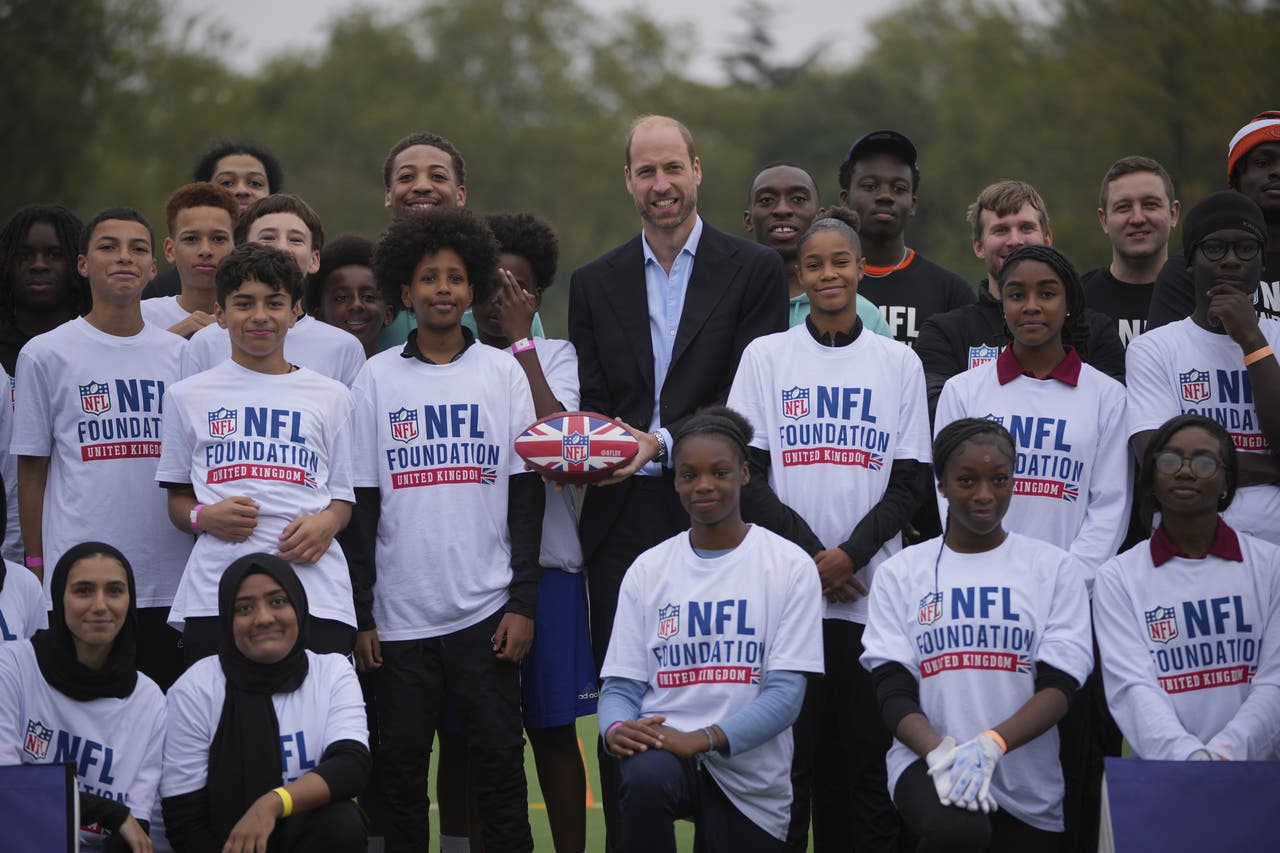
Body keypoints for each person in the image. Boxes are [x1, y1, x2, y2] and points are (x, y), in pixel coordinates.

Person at [568, 114, 787, 848]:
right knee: (624, 698)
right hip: (621, 516)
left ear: (697, 170)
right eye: (646, 171)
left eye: (673, 168)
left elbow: (746, 394)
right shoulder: (594, 282)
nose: (661, 185)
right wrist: (598, 445)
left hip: (721, 505)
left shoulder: (754, 268)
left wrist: (663, 440)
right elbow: (595, 399)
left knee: (735, 673)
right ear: (627, 181)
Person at [727, 206, 931, 852]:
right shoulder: (766, 356)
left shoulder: (897, 362)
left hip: (872, 602)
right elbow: (747, 473)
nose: (827, 274)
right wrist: (817, 557)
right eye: (813, 263)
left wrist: (852, 556)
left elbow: (910, 482)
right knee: (792, 770)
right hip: (791, 599)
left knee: (864, 769)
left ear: (860, 268)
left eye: (839, 260)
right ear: (800, 273)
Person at [347, 207, 543, 853]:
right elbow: (364, 505)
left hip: (485, 612)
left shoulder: (501, 372)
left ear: (474, 287)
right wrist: (364, 613)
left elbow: (524, 497)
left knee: (498, 768)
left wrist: (521, 603)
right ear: (404, 291)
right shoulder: (375, 378)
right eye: (428, 277)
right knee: (400, 773)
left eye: (455, 277)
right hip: (400, 620)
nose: (441, 288)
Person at [598, 407, 824, 853]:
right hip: (664, 755)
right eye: (689, 474)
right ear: (676, 481)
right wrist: (615, 728)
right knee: (643, 778)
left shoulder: (788, 564)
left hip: (750, 775)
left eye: (719, 472)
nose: (703, 485)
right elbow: (621, 686)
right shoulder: (649, 569)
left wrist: (702, 739)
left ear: (744, 474)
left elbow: (786, 697)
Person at [861, 418, 1093, 850]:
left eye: (999, 480)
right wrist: (938, 752)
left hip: (1027, 782)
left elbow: (1060, 686)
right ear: (942, 484)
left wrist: (993, 743)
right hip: (927, 763)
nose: (984, 495)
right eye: (966, 480)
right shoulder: (901, 572)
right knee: (958, 830)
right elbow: (891, 689)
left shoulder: (1054, 568)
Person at [12, 207, 192, 690]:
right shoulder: (46, 353)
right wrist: (36, 567)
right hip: (80, 577)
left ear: (154, 268)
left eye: (137, 248)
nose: (124, 258)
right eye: (108, 247)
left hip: (169, 577)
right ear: (83, 264)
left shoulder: (183, 356)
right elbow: (31, 472)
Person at [156, 243, 356, 663]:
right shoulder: (186, 395)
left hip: (315, 590)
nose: (260, 316)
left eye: (275, 303)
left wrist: (327, 524)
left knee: (314, 717)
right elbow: (177, 502)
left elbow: (343, 500)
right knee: (222, 721)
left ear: (295, 311)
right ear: (221, 314)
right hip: (217, 591)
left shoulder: (332, 396)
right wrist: (203, 517)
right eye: (244, 304)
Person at [477, 211, 595, 853]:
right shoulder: (454, 358)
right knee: (480, 736)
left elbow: (563, 450)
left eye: (513, 287)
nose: (500, 302)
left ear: (538, 295)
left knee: (552, 731)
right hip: (472, 574)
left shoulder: (554, 354)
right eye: (488, 288)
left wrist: (523, 344)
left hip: (547, 569)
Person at [935, 244, 1130, 584]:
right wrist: (984, 568)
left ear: (1069, 303)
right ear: (1003, 305)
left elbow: (1110, 505)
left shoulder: (1108, 396)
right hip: (982, 583)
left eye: (1047, 293)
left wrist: (1069, 581)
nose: (1031, 306)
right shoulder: (962, 391)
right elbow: (950, 498)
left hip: (1071, 593)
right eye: (1016, 295)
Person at [1093, 414, 1280, 761]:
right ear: (1150, 477)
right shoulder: (1117, 577)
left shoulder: (1272, 567)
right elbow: (1133, 688)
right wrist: (1189, 759)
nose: (1185, 471)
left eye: (1205, 462)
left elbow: (1275, 683)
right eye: (1169, 459)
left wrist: (1225, 754)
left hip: (1257, 779)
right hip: (1162, 780)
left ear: (1227, 481)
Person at [161, 553, 368, 853]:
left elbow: (352, 765)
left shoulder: (332, 672)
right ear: (227, 620)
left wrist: (271, 804)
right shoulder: (195, 689)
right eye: (244, 608)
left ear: (298, 606)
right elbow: (185, 817)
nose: (263, 618)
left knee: (341, 822)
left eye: (277, 602)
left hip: (304, 839)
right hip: (227, 845)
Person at [1126, 191, 1280, 545]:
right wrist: (1273, 469)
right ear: (1190, 262)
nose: (1230, 260)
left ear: (1262, 262)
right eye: (1214, 248)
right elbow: (1160, 459)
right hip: (1189, 545)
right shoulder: (1154, 348)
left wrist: (1252, 341)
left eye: (1245, 248)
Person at [0, 542, 165, 852]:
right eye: (83, 591)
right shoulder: (12, 668)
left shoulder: (150, 699)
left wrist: (118, 819)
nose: (100, 605)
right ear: (60, 598)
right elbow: (7, 787)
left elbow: (137, 823)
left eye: (115, 591)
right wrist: (110, 813)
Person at [915, 181, 1124, 418]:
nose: (1014, 240)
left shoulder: (1095, 329)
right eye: (1000, 230)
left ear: (1047, 238)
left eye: (1026, 228)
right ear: (978, 246)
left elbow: (1113, 410)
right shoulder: (945, 332)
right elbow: (937, 411)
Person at [376, 131, 546, 352]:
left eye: (438, 177)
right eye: (407, 177)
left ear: (460, 195)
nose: (422, 186)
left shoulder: (499, 285)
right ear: (389, 194)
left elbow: (532, 363)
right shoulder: (366, 287)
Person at [181, 194, 365, 386]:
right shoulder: (205, 343)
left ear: (314, 259)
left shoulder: (344, 348)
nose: (282, 248)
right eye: (268, 238)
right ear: (241, 250)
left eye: (296, 240)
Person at [0, 205, 88, 563]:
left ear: (78, 265)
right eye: (25, 255)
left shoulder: (97, 346)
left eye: (54, 255)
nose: (38, 264)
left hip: (78, 542)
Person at [836, 130, 974, 344]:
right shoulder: (823, 284)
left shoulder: (952, 293)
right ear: (845, 199)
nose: (884, 196)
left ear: (913, 205)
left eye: (899, 188)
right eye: (870, 186)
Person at [1148, 111, 1280, 328]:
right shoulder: (1190, 269)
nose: (1277, 171)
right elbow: (1167, 352)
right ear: (1236, 179)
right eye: (1263, 162)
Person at [743, 161, 891, 336]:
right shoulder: (733, 301)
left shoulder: (866, 315)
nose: (782, 210)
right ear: (748, 220)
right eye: (767, 200)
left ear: (819, 216)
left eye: (798, 199)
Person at [143, 139, 283, 300]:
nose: (242, 190)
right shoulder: (160, 290)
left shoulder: (291, 279)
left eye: (255, 183)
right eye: (227, 182)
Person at [1081, 156, 1181, 347]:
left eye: (1150, 204)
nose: (1137, 218)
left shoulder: (1200, 298)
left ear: (1173, 213)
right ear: (1103, 220)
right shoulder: (1077, 301)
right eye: (1123, 207)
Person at [141, 182, 238, 339]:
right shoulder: (140, 317)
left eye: (218, 239)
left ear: (235, 248)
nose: (205, 250)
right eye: (191, 239)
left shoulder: (255, 320)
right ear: (170, 250)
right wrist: (169, 340)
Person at [307, 234, 393, 359]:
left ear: (388, 314)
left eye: (368, 296)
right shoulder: (306, 375)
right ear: (319, 316)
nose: (356, 304)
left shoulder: (404, 376)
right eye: (341, 298)